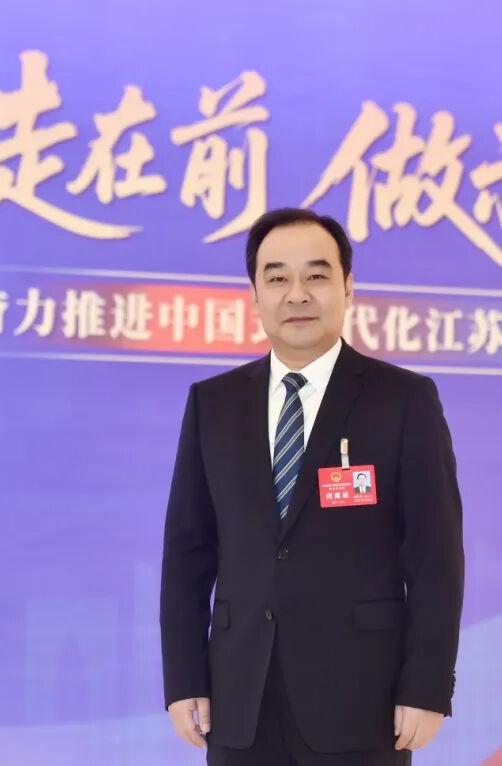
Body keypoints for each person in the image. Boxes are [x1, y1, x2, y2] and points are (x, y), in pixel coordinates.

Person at [160, 208, 464, 765]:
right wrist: (183, 679)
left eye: (316, 275)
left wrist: (427, 686)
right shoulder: (213, 404)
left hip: (362, 700)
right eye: (277, 277)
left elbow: (435, 555)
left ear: (347, 287)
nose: (296, 293)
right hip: (239, 700)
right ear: (254, 295)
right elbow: (187, 554)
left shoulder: (404, 400)